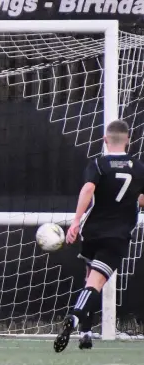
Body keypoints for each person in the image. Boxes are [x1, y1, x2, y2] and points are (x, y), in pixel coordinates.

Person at [55, 119, 144, 352]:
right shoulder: (139, 168)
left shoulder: (98, 163)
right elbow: (142, 200)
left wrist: (75, 222)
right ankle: (74, 319)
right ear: (129, 141)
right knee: (95, 284)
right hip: (117, 235)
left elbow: (88, 189)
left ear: (105, 140)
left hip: (92, 232)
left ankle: (85, 333)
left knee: (89, 280)